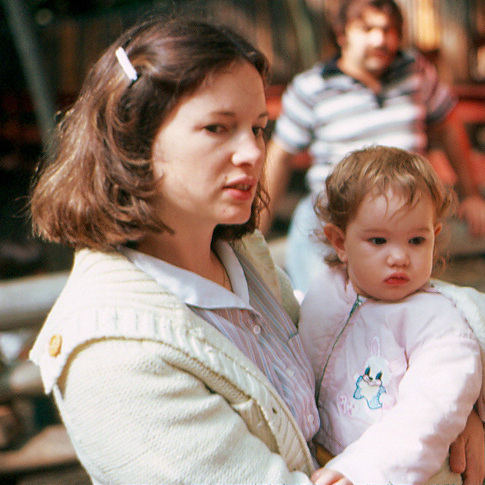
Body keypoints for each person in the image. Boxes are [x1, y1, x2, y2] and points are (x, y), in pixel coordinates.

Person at [27, 14, 482, 485]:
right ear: (135, 140)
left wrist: (448, 403)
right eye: (217, 128)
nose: (251, 153)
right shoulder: (115, 354)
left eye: (258, 128)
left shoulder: (240, 255)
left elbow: (366, 338)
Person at [262, 0, 485, 296]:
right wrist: (255, 232)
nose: (381, 39)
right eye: (367, 29)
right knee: (320, 293)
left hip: (408, 205)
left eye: (389, 29)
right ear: (342, 35)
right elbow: (279, 157)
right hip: (336, 208)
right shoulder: (312, 87)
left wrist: (470, 196)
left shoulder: (415, 72)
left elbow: (449, 128)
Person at [299, 145, 485, 485]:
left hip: (403, 473)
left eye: (416, 240)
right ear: (339, 241)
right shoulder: (325, 290)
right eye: (379, 240)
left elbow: (430, 411)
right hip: (327, 458)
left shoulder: (439, 324)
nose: (399, 257)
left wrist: (364, 470)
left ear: (435, 237)